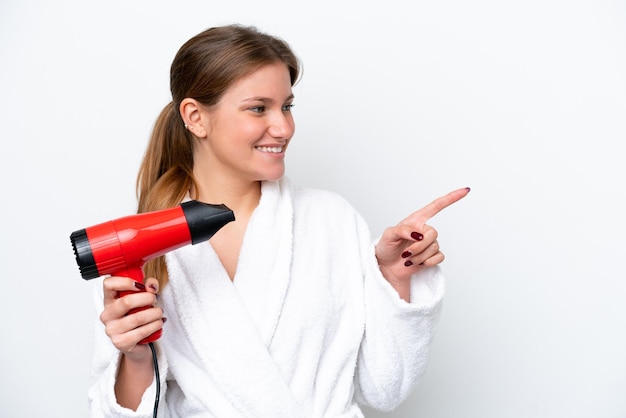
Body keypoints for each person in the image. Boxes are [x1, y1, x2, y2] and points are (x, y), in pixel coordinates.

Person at [88, 24, 469, 417]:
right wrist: (136, 356)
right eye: (259, 108)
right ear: (195, 117)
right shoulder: (141, 249)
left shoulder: (330, 221)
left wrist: (393, 278)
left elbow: (384, 389)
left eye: (287, 106)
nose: (284, 127)